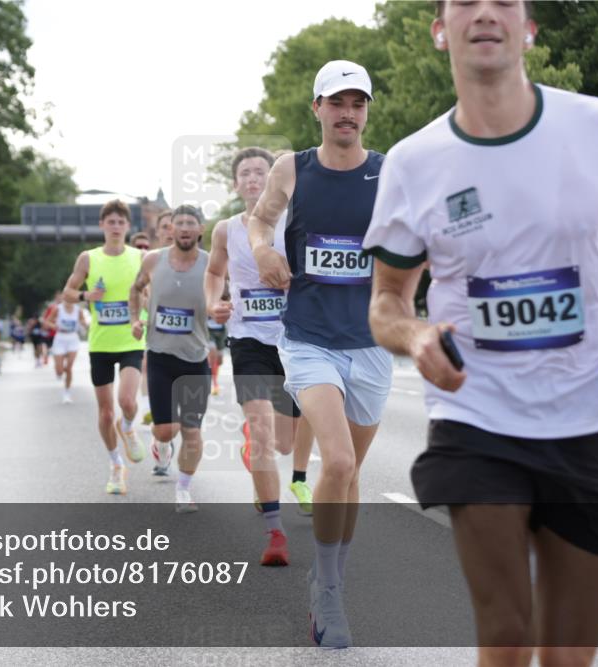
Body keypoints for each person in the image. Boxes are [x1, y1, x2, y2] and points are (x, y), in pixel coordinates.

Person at [363, 2, 598, 665]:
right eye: (464, 3)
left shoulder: (595, 127)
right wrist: (418, 338)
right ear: (440, 31)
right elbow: (387, 300)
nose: (485, 12)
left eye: (504, 1)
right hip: (477, 416)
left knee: (567, 655)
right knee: (506, 632)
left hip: (591, 418)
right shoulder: (414, 162)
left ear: (528, 29)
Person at [249, 59, 392, 648]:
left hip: (372, 346)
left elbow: (421, 241)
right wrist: (261, 250)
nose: (348, 114)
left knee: (351, 473)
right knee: (335, 464)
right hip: (308, 338)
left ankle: (328, 575)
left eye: (358, 103)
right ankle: (328, 592)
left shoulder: (389, 173)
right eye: (337, 103)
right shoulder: (293, 169)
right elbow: (260, 224)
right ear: (317, 109)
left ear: (366, 112)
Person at [206, 146, 317, 566]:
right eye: (245, 173)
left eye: (260, 172)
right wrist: (214, 302)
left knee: (285, 443)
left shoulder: (296, 222)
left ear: (272, 179)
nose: (253, 179)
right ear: (235, 184)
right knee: (263, 433)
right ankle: (276, 534)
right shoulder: (225, 230)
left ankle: (256, 449)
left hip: (293, 339)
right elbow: (215, 273)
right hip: (248, 339)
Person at [62, 199, 147, 495]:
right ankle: (115, 465)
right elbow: (68, 293)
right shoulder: (88, 258)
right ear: (102, 225)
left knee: (127, 401)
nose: (115, 226)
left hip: (131, 339)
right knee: (105, 412)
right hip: (100, 344)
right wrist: (88, 296)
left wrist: (145, 309)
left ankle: (129, 428)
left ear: (127, 226)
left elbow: (152, 291)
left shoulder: (139, 257)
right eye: (110, 222)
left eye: (120, 222)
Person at [130, 205, 211, 513]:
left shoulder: (211, 263)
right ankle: (161, 444)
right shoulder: (153, 260)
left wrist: (223, 307)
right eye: (180, 223)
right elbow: (135, 290)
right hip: (161, 357)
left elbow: (228, 295)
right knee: (166, 429)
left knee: (191, 430)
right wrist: (135, 320)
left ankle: (184, 489)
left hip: (195, 358)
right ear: (171, 229)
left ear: (200, 230)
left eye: (192, 222)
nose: (186, 227)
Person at [129, 232, 155, 425]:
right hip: (129, 323)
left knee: (149, 365)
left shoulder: (153, 266)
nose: (143, 250)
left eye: (146, 246)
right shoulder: (127, 268)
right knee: (143, 366)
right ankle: (144, 407)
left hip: (151, 320)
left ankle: (149, 408)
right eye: (139, 247)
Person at [43, 297, 89, 403]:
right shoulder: (58, 309)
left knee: (69, 368)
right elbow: (47, 322)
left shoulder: (78, 310)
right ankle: (58, 370)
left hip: (72, 338)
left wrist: (84, 324)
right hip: (60, 338)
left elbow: (83, 322)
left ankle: (67, 393)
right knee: (59, 371)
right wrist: (55, 326)